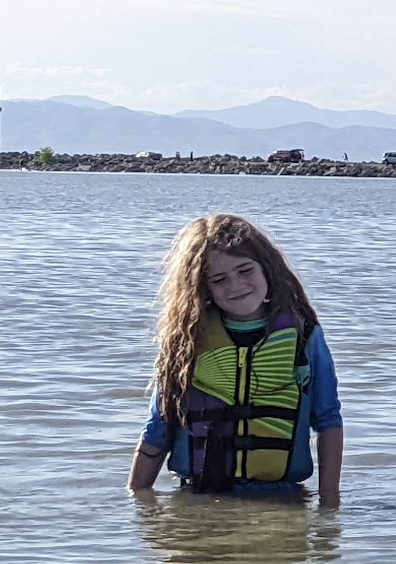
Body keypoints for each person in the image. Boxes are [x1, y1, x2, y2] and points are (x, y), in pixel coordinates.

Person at [128, 215, 343, 503]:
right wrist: (136, 502)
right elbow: (158, 428)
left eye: (245, 270)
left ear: (267, 269)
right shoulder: (187, 341)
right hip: (197, 500)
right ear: (203, 289)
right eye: (219, 279)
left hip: (283, 500)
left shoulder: (303, 337)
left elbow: (328, 420)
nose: (236, 285)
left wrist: (330, 502)